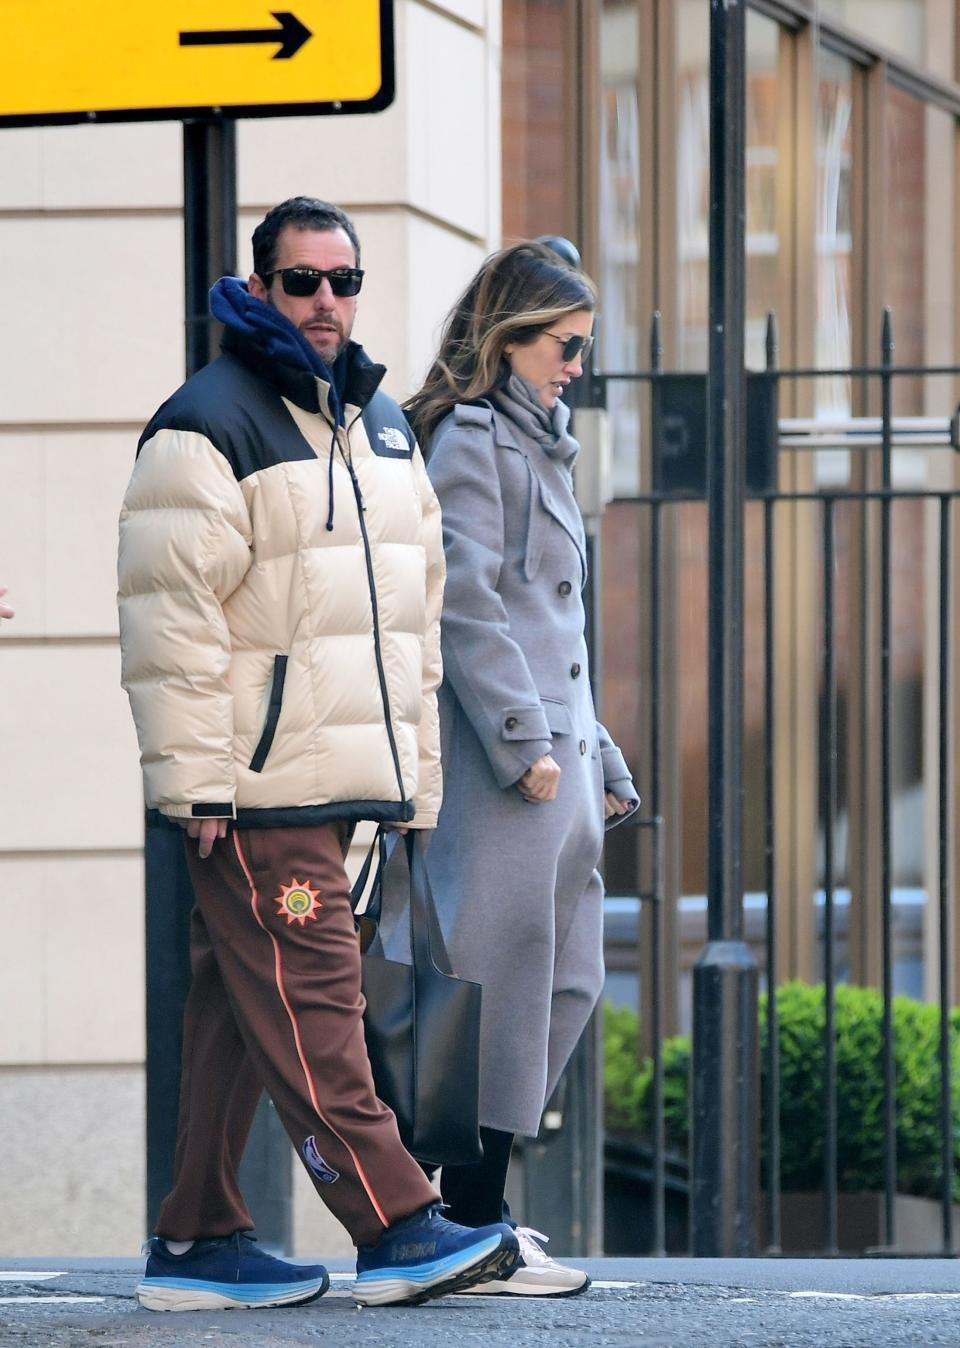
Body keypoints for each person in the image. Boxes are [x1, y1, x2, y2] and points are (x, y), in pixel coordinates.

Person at [117, 197, 519, 1313]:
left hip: (341, 776)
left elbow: (413, 618)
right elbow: (171, 622)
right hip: (254, 787)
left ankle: (197, 1242)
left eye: (343, 280)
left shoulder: (378, 423)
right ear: (261, 286)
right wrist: (192, 779)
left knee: (240, 1013)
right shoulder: (208, 423)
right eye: (303, 282)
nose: (327, 302)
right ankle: (395, 1220)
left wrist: (414, 783)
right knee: (315, 995)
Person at [403, 241, 638, 1296]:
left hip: (562, 769)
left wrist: (604, 754)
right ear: (509, 338)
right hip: (514, 777)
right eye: (565, 344)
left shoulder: (550, 445)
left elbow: (563, 628)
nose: (577, 364)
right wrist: (522, 741)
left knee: (567, 983)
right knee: (497, 989)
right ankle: (472, 1219)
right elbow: (468, 605)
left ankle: (478, 1213)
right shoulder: (472, 438)